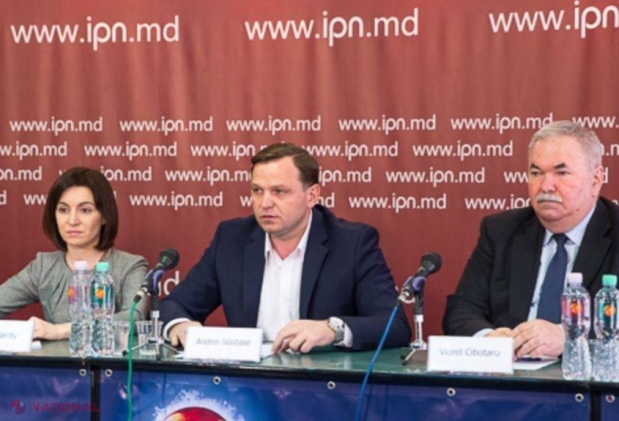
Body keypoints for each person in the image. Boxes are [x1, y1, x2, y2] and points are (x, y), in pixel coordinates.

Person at [161, 142, 411, 352]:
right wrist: (179, 324)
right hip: (246, 384)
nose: (265, 203)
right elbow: (174, 305)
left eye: (279, 192)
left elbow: (395, 326)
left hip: (322, 385)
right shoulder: (232, 239)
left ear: (312, 196)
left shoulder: (352, 243)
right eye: (257, 191)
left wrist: (331, 330)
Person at [443, 120, 619, 358]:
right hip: (512, 374)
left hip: (587, 378)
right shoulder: (500, 231)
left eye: (562, 173)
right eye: (536, 173)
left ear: (596, 180)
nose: (546, 186)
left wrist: (569, 338)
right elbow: (462, 309)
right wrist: (488, 340)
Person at [0, 167, 149, 340]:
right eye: (63, 210)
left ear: (105, 216)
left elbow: (134, 318)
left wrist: (60, 331)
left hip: (108, 358)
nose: (72, 221)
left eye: (85, 210)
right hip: (55, 359)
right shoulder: (44, 266)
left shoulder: (130, 266)